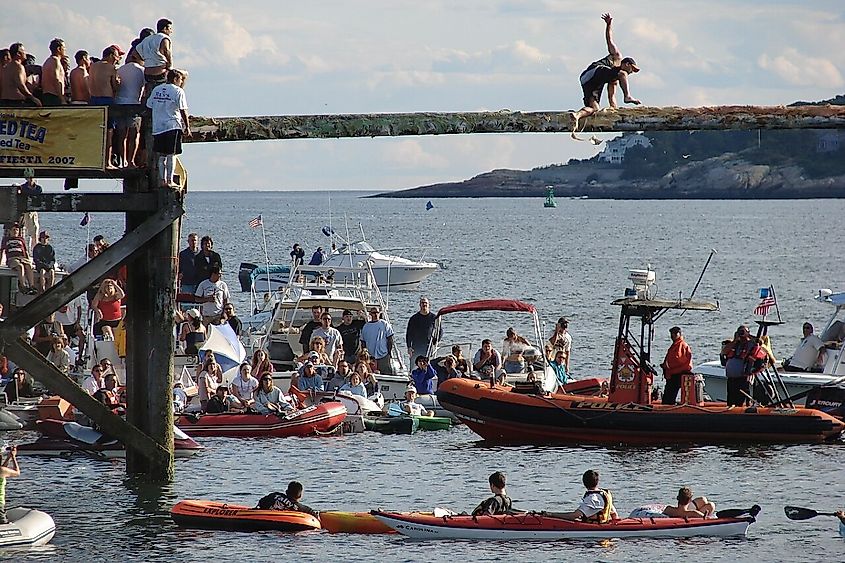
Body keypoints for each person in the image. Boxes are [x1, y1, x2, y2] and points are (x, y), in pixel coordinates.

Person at [570, 13, 641, 133]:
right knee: (621, 74)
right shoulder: (617, 57)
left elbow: (611, 96)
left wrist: (615, 111)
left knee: (594, 109)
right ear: (627, 64)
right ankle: (627, 96)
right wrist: (609, 25)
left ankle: (576, 115)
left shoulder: (614, 78)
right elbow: (609, 40)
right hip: (593, 71)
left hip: (587, 81)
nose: (631, 73)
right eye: (632, 69)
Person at [146, 68, 190, 187]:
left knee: (162, 155)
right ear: (176, 79)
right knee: (172, 154)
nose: (181, 82)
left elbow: (149, 105)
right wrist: (187, 126)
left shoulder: (157, 89)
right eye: (180, 80)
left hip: (158, 126)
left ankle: (162, 180)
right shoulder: (178, 91)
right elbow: (183, 110)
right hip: (172, 125)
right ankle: (170, 180)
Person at [89, 45, 123, 167]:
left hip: (93, 100)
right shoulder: (111, 68)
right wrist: (119, 83)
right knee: (109, 132)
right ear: (110, 55)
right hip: (106, 100)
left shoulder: (92, 66)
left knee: (97, 132)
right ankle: (107, 161)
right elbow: (115, 87)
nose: (118, 59)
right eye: (117, 56)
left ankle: (95, 160)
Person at [721, 325, 764, 407]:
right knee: (731, 400)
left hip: (743, 378)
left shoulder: (751, 344)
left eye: (743, 332)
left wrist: (748, 335)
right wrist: (735, 340)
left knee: (740, 400)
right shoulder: (734, 344)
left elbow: (760, 342)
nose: (741, 334)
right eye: (740, 332)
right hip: (731, 379)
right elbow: (724, 352)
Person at [551, 469, 618, 523]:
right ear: (597, 482)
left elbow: (575, 516)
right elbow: (614, 514)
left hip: (593, 529)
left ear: (584, 483)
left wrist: (552, 515)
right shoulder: (605, 494)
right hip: (602, 525)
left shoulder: (592, 498)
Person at [137, 18, 174, 99]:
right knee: (162, 94)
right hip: (160, 71)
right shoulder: (164, 38)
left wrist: (145, 59)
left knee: (150, 94)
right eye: (170, 29)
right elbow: (166, 50)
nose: (171, 31)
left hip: (148, 72)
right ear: (165, 28)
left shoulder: (147, 39)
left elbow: (136, 52)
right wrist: (170, 65)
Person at [660, 326, 693, 405]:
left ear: (678, 334)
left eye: (674, 334)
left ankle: (668, 408)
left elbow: (678, 359)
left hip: (677, 374)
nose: (672, 336)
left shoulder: (680, 345)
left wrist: (666, 365)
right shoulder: (677, 344)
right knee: (669, 394)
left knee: (669, 396)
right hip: (674, 373)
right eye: (671, 334)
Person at [2, 223, 37, 294]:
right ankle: (23, 286)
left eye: (17, 230)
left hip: (22, 257)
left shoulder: (21, 239)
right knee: (20, 266)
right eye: (14, 230)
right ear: (10, 231)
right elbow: (2, 250)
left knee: (28, 266)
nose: (15, 231)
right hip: (12, 258)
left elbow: (25, 251)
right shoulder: (6, 239)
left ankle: (32, 286)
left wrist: (28, 260)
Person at [360, 307, 396, 375]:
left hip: (383, 355)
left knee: (386, 374)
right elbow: (363, 341)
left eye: (377, 312)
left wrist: (389, 353)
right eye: (373, 313)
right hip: (370, 356)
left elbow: (390, 339)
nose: (375, 314)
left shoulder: (384, 324)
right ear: (370, 314)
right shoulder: (366, 326)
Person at [406, 297, 438, 361]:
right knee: (414, 367)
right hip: (416, 347)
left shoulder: (434, 318)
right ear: (420, 305)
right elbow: (409, 334)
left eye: (426, 303)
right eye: (422, 303)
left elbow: (440, 331)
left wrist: (435, 341)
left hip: (428, 347)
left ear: (429, 305)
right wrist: (409, 347)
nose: (424, 305)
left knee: (428, 366)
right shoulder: (414, 318)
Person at [41, 38, 66, 106]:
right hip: (54, 96)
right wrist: (61, 98)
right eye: (64, 48)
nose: (65, 50)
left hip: (47, 95)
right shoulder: (55, 61)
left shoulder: (47, 61)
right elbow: (56, 79)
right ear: (59, 49)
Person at [0, 445, 20, 525]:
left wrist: (9, 457)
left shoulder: (2, 470)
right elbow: (17, 473)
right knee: (3, 524)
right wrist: (13, 457)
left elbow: (3, 469)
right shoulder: (2, 470)